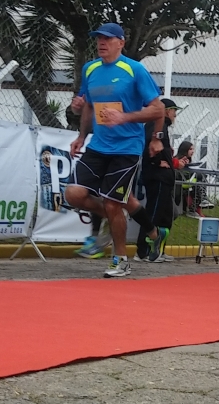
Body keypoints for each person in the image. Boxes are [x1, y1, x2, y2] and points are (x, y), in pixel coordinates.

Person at [64, 23, 167, 277]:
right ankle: (152, 231)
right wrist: (81, 133)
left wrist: (127, 119)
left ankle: (120, 260)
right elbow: (87, 106)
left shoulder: (134, 70)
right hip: (99, 145)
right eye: (99, 38)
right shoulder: (90, 69)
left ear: (120, 43)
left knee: (113, 202)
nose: (102, 43)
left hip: (127, 147)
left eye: (108, 39)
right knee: (74, 194)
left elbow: (157, 109)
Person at [135, 98, 183, 262]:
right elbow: (149, 142)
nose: (175, 114)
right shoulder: (156, 124)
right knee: (153, 213)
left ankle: (158, 249)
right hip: (158, 177)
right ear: (166, 110)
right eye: (173, 110)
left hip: (164, 178)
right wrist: (156, 161)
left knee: (165, 215)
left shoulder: (161, 127)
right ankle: (143, 251)